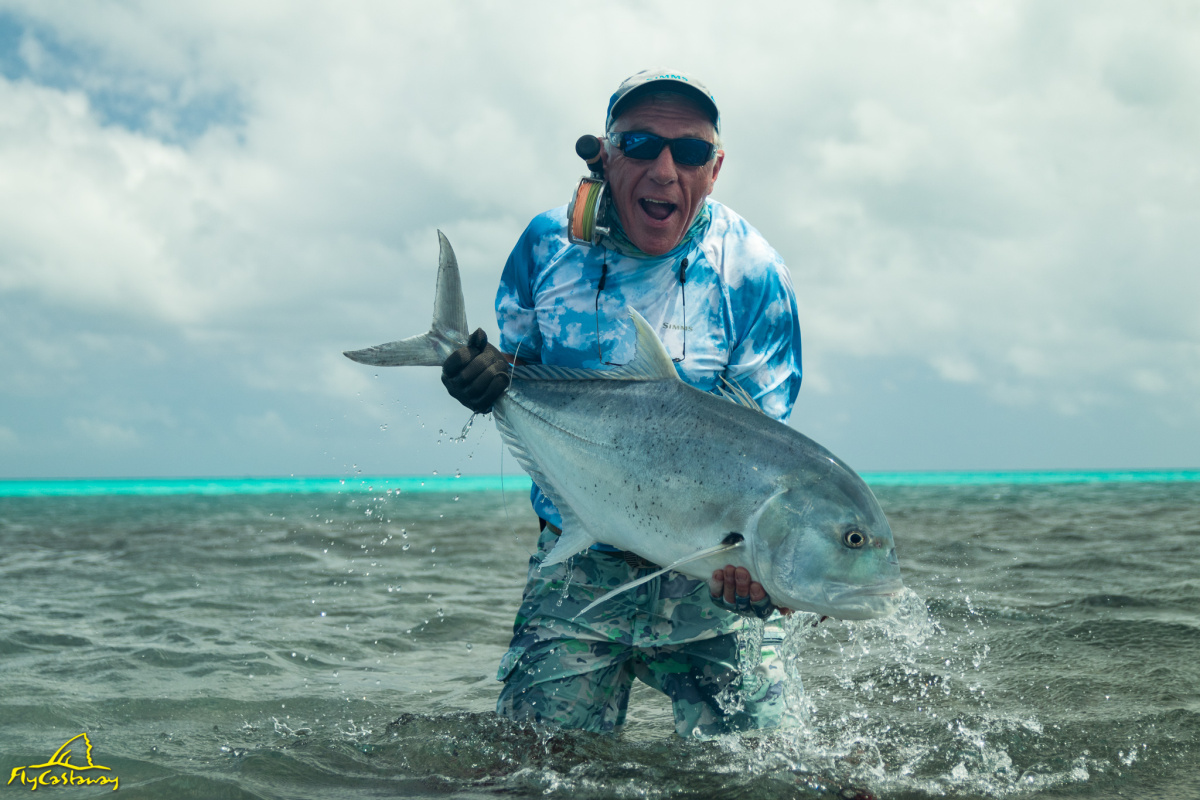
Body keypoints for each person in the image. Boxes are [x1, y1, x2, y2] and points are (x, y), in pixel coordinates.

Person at [441, 69, 803, 737]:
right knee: (533, 770)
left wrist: (759, 564)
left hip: (712, 573)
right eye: (640, 145)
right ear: (604, 156)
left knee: (760, 775)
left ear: (714, 169)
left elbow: (765, 451)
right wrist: (481, 381)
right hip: (581, 557)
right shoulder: (547, 246)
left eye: (689, 152)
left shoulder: (753, 271)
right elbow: (518, 376)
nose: (664, 171)